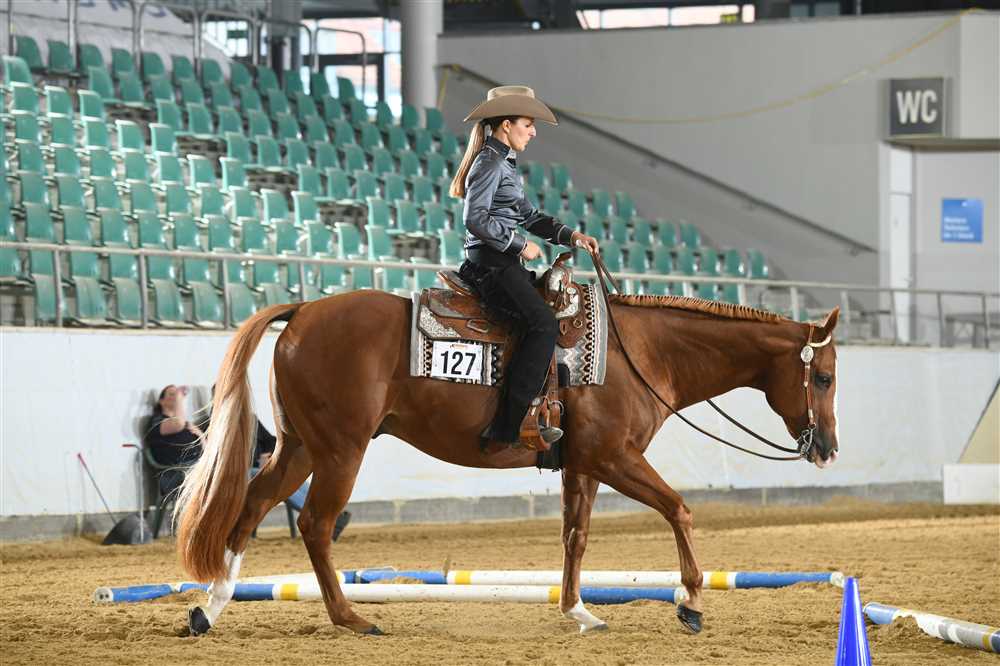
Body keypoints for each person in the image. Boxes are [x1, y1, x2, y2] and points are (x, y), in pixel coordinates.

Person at [449, 85, 600, 451]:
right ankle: (509, 427)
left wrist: (572, 236)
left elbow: (529, 216)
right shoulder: (489, 163)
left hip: (501, 262)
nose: (533, 133)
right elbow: (474, 219)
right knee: (543, 323)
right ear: (506, 124)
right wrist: (518, 244)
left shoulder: (503, 163)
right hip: (491, 264)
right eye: (528, 124)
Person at [144, 384, 203, 498]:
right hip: (177, 473)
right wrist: (179, 398)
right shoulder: (157, 421)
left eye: (176, 394)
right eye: (172, 394)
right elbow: (178, 423)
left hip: (195, 466)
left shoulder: (184, 423)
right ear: (161, 402)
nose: (176, 396)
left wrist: (199, 434)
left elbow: (205, 446)